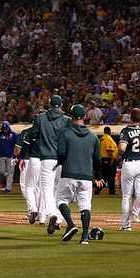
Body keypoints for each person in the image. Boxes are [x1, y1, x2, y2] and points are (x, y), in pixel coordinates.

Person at [50, 104, 105, 245]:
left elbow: (61, 153)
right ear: (85, 117)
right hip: (87, 176)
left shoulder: (65, 133)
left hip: (69, 172)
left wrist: (60, 162)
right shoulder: (93, 137)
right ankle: (85, 237)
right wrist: (98, 177)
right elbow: (97, 159)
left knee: (61, 200)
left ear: (71, 116)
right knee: (85, 206)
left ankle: (71, 224)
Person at [31, 95, 72, 230]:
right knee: (59, 191)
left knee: (47, 190)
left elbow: (34, 135)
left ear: (49, 104)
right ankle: (59, 219)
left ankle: (52, 214)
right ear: (61, 105)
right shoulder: (67, 120)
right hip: (62, 159)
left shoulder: (40, 118)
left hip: (47, 158)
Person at [118, 108, 140, 232]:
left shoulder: (126, 130)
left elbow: (122, 148)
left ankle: (126, 224)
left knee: (127, 196)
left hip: (130, 163)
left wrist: (120, 150)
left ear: (130, 118)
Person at [13, 120, 43, 224]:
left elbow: (17, 149)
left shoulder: (26, 132)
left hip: (27, 161)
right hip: (44, 161)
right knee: (39, 188)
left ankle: (32, 210)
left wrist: (17, 157)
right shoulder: (47, 132)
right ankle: (40, 214)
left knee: (26, 187)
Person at [0, 121, 18, 193]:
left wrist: (16, 156)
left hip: (11, 156)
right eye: (4, 128)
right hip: (1, 156)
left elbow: (17, 146)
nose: (5, 130)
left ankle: (8, 188)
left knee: (10, 172)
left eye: (6, 128)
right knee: (1, 170)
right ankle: (6, 176)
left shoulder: (14, 135)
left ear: (8, 128)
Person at [97, 126, 119, 195]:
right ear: (109, 131)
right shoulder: (108, 139)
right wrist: (112, 161)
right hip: (109, 159)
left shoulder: (101, 139)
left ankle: (97, 190)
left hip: (103, 159)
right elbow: (109, 151)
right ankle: (112, 192)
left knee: (105, 176)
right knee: (110, 177)